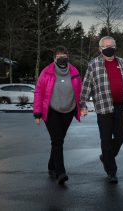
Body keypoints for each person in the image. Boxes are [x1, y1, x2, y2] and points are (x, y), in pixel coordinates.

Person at [80, 36, 123, 184]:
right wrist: (82, 105)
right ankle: (111, 171)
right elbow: (86, 86)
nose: (109, 48)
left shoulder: (122, 62)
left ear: (115, 47)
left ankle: (106, 157)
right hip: (103, 107)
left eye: (111, 45)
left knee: (121, 136)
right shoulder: (93, 65)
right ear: (100, 49)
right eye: (106, 46)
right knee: (106, 139)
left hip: (120, 106)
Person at [33, 46, 82, 185]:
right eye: (58, 56)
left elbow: (79, 90)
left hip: (68, 110)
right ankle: (60, 172)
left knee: (58, 140)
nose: (62, 58)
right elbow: (38, 92)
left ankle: (51, 166)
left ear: (68, 56)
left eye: (64, 55)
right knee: (57, 141)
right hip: (52, 111)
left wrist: (82, 106)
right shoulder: (46, 72)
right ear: (54, 58)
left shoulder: (74, 71)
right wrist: (37, 113)